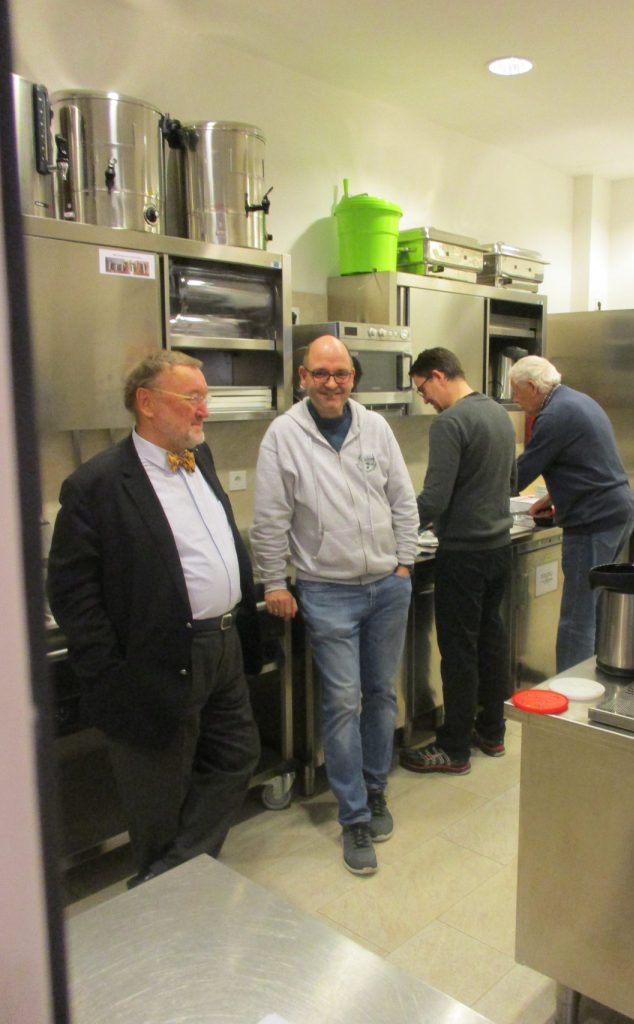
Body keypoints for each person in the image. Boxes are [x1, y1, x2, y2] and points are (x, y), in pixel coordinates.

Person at [47, 351, 261, 888]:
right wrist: (110, 672)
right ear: (146, 403)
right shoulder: (96, 484)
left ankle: (166, 878)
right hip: (157, 658)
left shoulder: (199, 457)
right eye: (192, 398)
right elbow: (71, 592)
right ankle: (169, 892)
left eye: (205, 398)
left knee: (237, 757)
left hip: (224, 645)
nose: (203, 410)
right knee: (160, 795)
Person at [250, 334, 418, 875]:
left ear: (352, 377)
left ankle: (376, 790)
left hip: (387, 586)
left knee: (381, 695)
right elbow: (270, 517)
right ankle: (354, 817)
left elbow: (402, 499)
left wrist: (405, 562)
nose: (331, 383)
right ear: (303, 377)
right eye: (320, 373)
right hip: (327, 591)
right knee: (343, 702)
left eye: (341, 373)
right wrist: (273, 581)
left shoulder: (375, 426)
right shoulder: (284, 435)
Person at [399, 348, 517, 775]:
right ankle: (492, 731)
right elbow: (510, 480)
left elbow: (434, 498)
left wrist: (396, 527)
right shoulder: (499, 413)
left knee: (459, 652)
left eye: (422, 389)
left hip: (464, 555)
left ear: (437, 375)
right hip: (499, 549)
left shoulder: (449, 422)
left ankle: (453, 748)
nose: (425, 399)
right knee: (491, 643)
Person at [509, 354, 634, 673]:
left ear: (532, 386)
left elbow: (519, 474)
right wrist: (553, 496)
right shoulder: (578, 401)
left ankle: (569, 694)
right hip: (616, 511)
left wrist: (479, 491)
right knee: (592, 609)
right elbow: (587, 462)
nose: (515, 400)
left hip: (593, 521)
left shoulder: (554, 415)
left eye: (516, 392)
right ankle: (592, 681)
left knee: (577, 618)